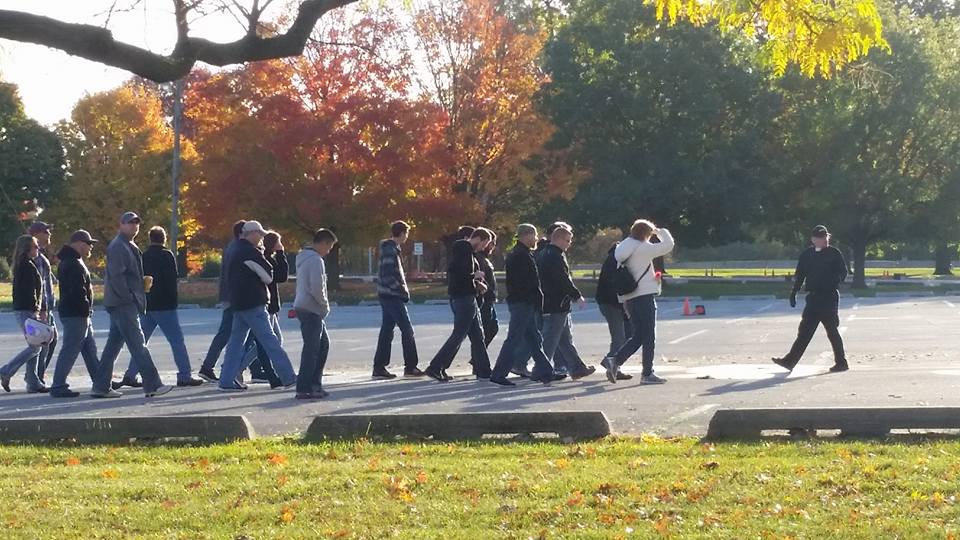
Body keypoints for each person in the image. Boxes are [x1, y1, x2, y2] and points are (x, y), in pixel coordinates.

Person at [93, 211, 173, 398]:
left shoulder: (127, 245)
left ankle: (100, 386)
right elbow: (117, 276)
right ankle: (153, 385)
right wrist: (129, 296)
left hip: (121, 302)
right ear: (121, 225)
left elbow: (125, 275)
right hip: (123, 303)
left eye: (136, 223)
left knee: (113, 347)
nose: (134, 226)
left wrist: (139, 284)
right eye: (130, 223)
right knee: (138, 345)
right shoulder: (118, 246)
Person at [116, 226, 203, 388]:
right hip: (165, 305)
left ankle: (131, 374)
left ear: (150, 239)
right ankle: (184, 375)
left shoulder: (143, 256)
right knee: (176, 341)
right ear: (164, 238)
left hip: (147, 304)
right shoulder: (167, 255)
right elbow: (171, 280)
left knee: (141, 342)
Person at [217, 220, 297, 392]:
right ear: (252, 234)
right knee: (271, 341)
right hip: (253, 302)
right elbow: (268, 276)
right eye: (259, 234)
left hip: (238, 302)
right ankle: (288, 377)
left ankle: (226, 380)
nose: (261, 238)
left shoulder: (234, 250)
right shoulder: (250, 252)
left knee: (235, 344)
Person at [601, 219, 675, 385]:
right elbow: (668, 245)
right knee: (649, 336)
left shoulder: (623, 247)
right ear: (646, 234)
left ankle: (615, 361)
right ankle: (647, 373)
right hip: (644, 294)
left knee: (639, 335)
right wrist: (659, 231)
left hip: (630, 296)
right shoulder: (644, 248)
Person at [773, 225, 849, 373]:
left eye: (824, 237)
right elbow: (800, 275)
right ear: (813, 239)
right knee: (804, 332)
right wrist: (794, 292)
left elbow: (843, 272)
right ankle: (789, 361)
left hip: (829, 297)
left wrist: (834, 280)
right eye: (819, 238)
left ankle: (841, 363)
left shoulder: (834, 253)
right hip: (813, 298)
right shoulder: (807, 255)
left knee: (832, 331)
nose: (822, 240)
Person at [489, 224, 558, 386]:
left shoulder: (520, 253)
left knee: (534, 339)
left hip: (523, 302)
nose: (536, 239)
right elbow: (528, 282)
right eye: (534, 235)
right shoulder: (521, 256)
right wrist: (536, 300)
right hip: (523, 302)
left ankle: (546, 372)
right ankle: (499, 373)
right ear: (527, 235)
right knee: (514, 339)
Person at [425, 228, 492, 382]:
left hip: (468, 296)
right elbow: (459, 273)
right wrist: (474, 276)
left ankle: (484, 370)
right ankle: (435, 366)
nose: (483, 248)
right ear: (479, 239)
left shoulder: (468, 252)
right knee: (459, 334)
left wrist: (477, 283)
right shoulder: (463, 249)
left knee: (477, 335)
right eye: (484, 244)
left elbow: (462, 275)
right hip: (463, 298)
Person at [537, 225, 595, 379]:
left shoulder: (543, 253)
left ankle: (577, 368)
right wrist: (577, 295)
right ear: (559, 239)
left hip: (549, 301)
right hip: (557, 303)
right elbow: (562, 279)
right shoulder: (556, 256)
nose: (569, 244)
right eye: (568, 240)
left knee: (564, 339)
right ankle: (541, 370)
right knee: (551, 339)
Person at [48, 230, 101, 398]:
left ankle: (101, 381)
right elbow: (77, 292)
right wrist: (85, 309)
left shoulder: (72, 261)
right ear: (78, 243)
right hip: (76, 314)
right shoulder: (73, 263)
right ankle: (58, 385)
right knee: (70, 350)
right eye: (88, 243)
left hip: (78, 313)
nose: (91, 247)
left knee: (90, 350)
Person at [371, 221, 425, 379]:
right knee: (407, 330)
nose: (407, 237)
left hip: (386, 294)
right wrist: (401, 290)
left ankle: (379, 366)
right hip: (392, 295)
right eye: (406, 233)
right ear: (401, 233)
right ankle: (411, 366)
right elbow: (388, 275)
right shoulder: (390, 250)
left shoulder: (389, 249)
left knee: (387, 331)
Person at [0, 235, 49, 393]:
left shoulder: (25, 264)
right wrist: (35, 311)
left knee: (36, 345)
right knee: (35, 347)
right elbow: (29, 292)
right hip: (26, 310)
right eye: (35, 246)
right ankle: (6, 371)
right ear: (27, 248)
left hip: (26, 309)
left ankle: (33, 382)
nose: (38, 248)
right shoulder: (26, 266)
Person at [198, 220, 245, 382]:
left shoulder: (232, 247)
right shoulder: (237, 248)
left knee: (230, 333)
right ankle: (210, 367)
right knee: (227, 333)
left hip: (229, 295)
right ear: (242, 233)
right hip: (233, 297)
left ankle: (212, 367)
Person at [293, 228, 338, 399]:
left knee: (321, 345)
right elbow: (317, 287)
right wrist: (324, 305)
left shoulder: (304, 257)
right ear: (323, 243)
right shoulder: (315, 260)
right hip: (311, 308)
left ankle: (314, 384)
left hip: (303, 305)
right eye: (329, 247)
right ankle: (305, 387)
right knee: (313, 349)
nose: (328, 251)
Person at [244, 231, 287, 386]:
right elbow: (281, 276)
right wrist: (281, 254)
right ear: (273, 243)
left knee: (269, 340)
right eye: (278, 242)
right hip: (267, 305)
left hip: (270, 305)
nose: (280, 244)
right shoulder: (266, 259)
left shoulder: (266, 257)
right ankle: (238, 367)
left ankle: (265, 372)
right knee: (267, 341)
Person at [596, 242, 634, 380]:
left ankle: (614, 364)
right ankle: (612, 361)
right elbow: (615, 284)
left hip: (617, 302)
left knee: (629, 334)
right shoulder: (614, 261)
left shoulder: (616, 259)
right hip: (610, 303)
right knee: (619, 337)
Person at [29, 221, 57, 385]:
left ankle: (36, 376)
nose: (49, 235)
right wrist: (43, 309)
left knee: (49, 341)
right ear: (36, 234)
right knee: (42, 343)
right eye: (46, 232)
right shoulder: (36, 258)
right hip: (42, 309)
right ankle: (35, 378)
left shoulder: (41, 256)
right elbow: (38, 287)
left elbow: (46, 280)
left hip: (46, 308)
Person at [470, 229, 499, 374]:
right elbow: (480, 278)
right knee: (482, 331)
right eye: (490, 243)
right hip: (484, 298)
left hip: (489, 298)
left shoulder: (485, 258)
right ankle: (478, 362)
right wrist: (487, 291)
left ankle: (477, 359)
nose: (492, 246)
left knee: (492, 328)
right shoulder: (479, 258)